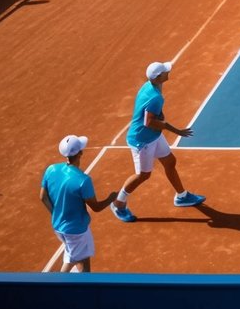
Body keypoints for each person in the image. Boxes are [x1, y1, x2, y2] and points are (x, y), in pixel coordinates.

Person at [110, 61, 206, 223]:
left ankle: (181, 197)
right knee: (143, 175)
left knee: (170, 161)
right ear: (159, 77)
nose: (168, 72)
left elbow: (149, 114)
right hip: (142, 140)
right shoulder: (155, 97)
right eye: (165, 71)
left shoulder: (148, 87)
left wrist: (160, 117)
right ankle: (119, 204)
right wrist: (177, 131)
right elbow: (149, 122)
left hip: (153, 135)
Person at [40, 134, 113, 272]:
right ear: (80, 153)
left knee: (71, 257)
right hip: (76, 231)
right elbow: (96, 207)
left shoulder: (51, 169)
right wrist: (111, 198)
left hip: (58, 227)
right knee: (84, 268)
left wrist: (56, 213)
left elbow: (43, 197)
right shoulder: (83, 180)